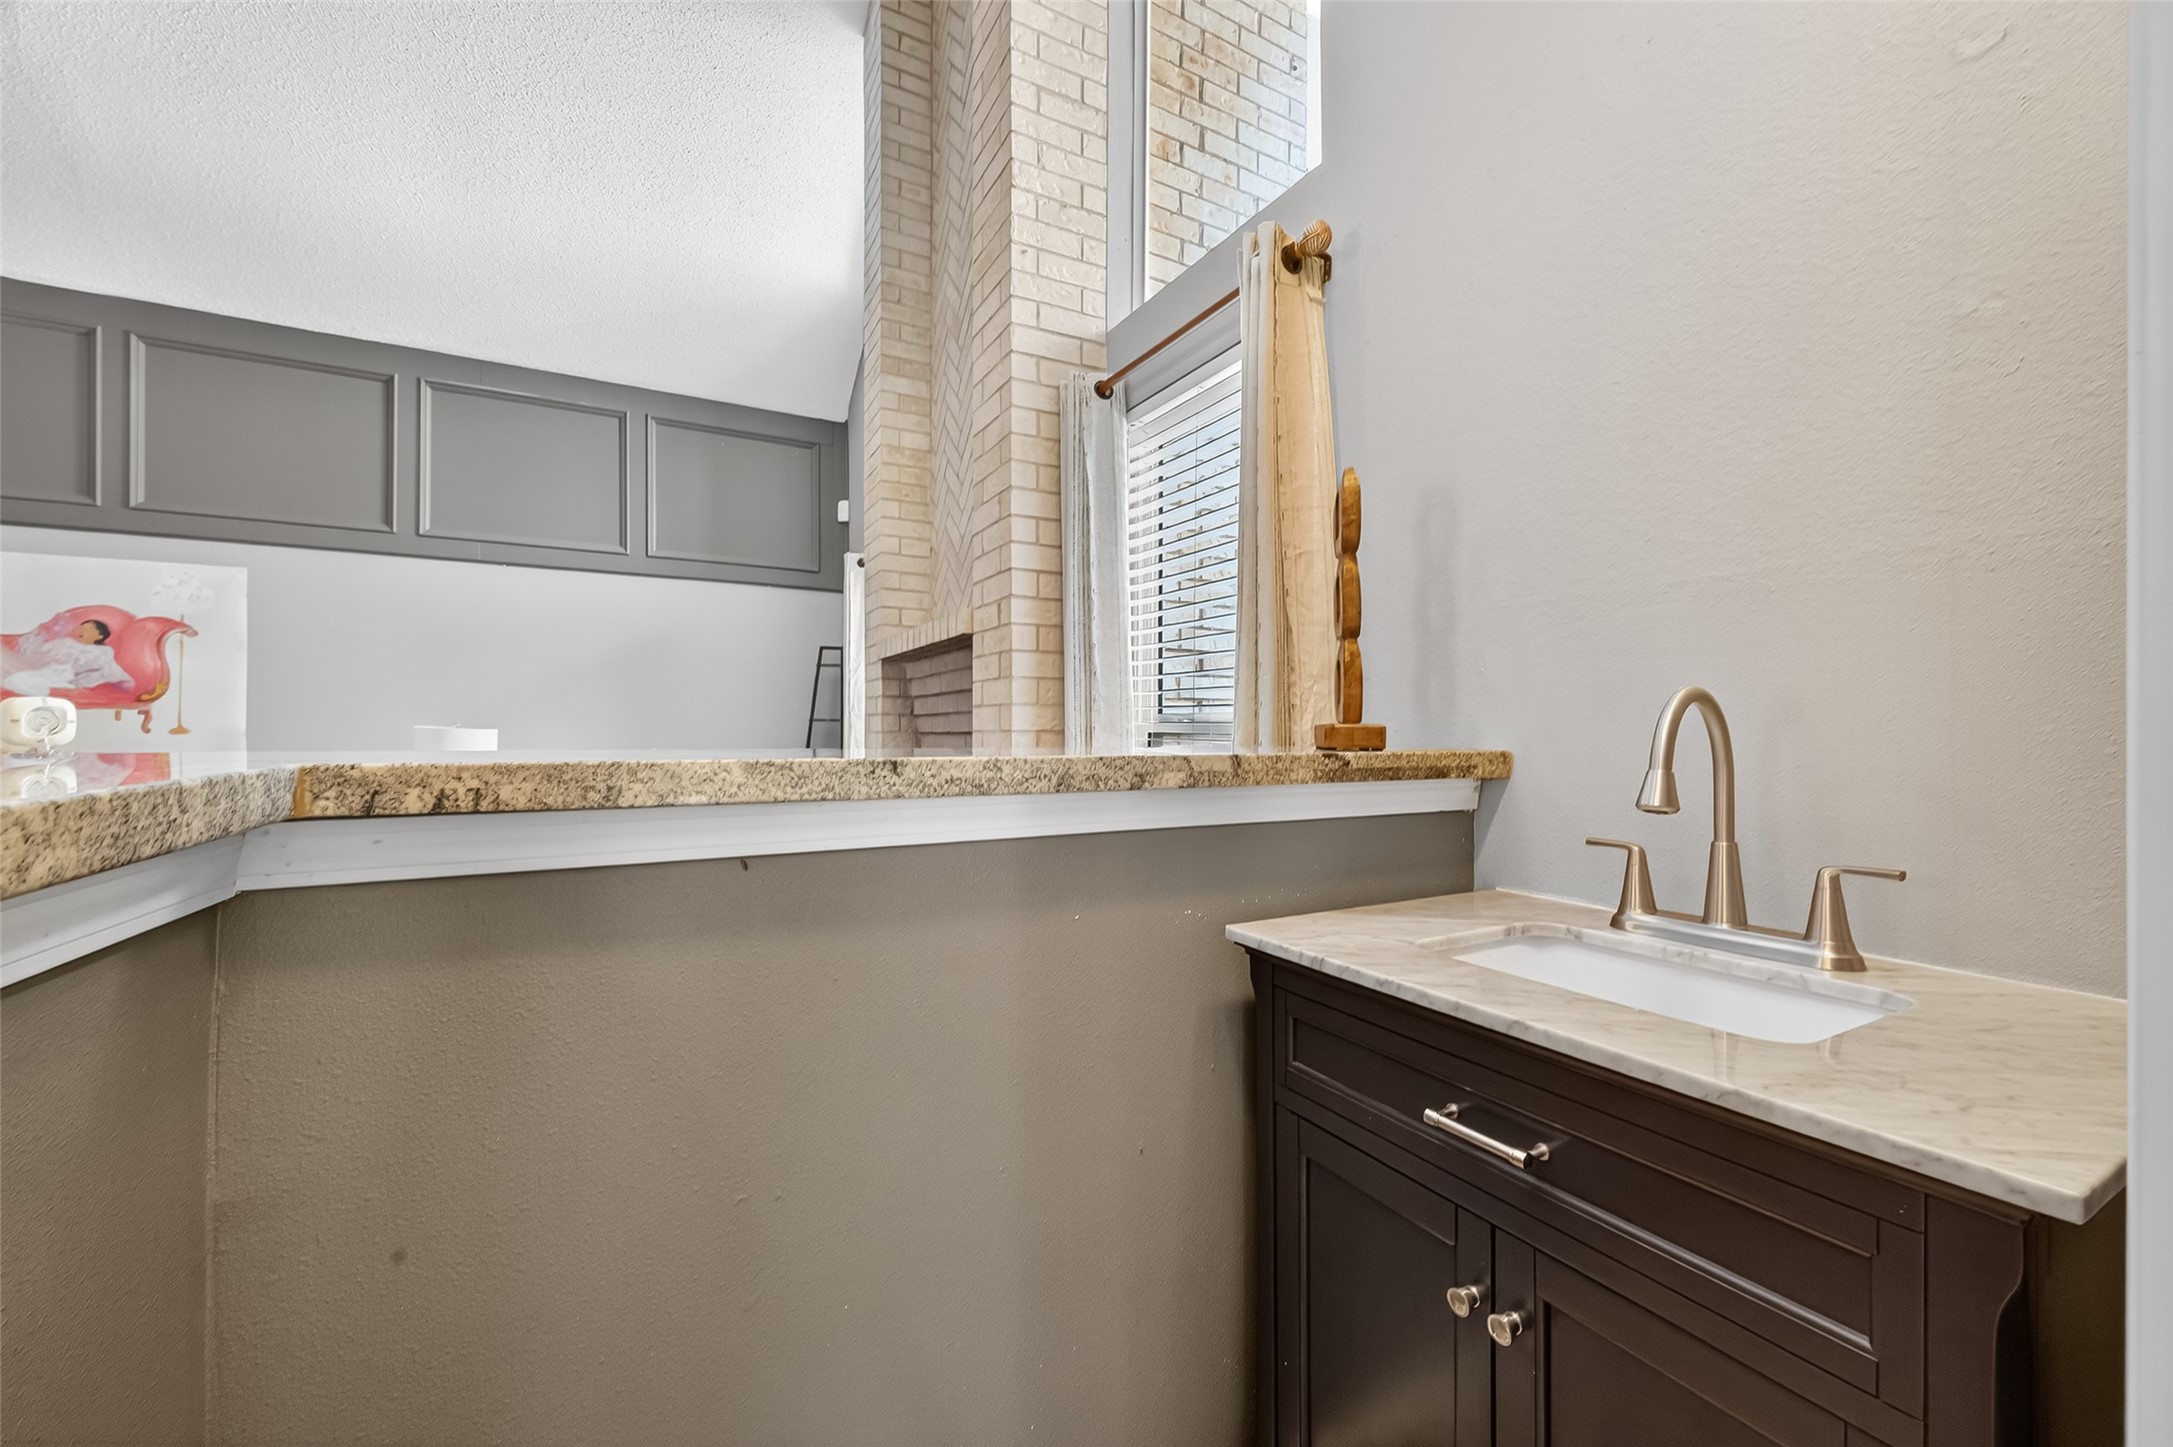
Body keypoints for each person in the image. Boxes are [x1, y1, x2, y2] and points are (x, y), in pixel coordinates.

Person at [2, 617, 135, 695]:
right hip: (40, 670)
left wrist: (124, 680)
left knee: (15, 680)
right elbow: (35, 655)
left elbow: (110, 669)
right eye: (81, 628)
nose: (81, 631)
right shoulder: (63, 642)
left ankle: (46, 695)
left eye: (88, 629)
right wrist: (41, 634)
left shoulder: (100, 652)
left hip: (59, 676)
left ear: (99, 636)